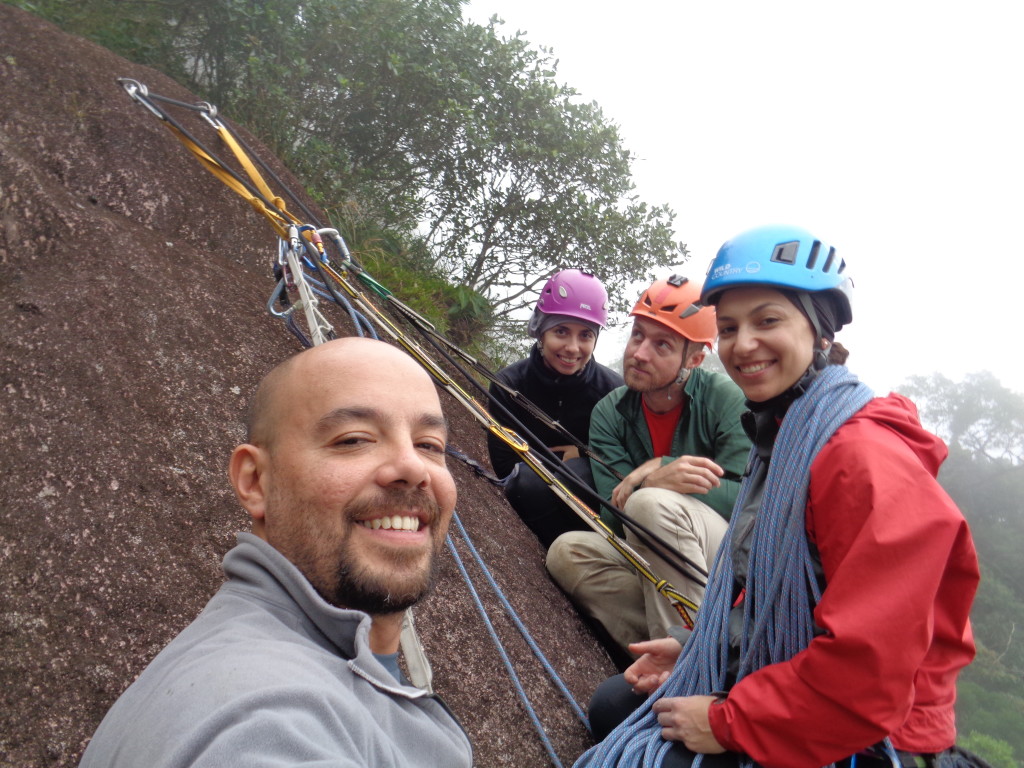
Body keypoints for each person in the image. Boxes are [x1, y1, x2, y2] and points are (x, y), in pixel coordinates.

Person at [578, 225, 980, 768]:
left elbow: (869, 675)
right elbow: (778, 591)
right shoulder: (785, 433)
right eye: (730, 327)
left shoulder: (862, 460)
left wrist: (725, 719)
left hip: (873, 733)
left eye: (768, 320)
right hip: (804, 681)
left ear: (819, 332)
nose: (743, 344)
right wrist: (706, 648)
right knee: (613, 706)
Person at [79, 338, 473, 768]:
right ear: (254, 481)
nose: (414, 468)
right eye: (353, 439)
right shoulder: (260, 718)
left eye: (430, 445)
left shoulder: (307, 660)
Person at [545, 275, 750, 654]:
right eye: (637, 335)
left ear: (694, 359)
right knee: (567, 551)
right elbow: (612, 512)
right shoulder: (610, 412)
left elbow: (752, 501)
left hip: (723, 558)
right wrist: (659, 480)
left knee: (648, 503)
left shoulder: (725, 400)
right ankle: (681, 649)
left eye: (662, 345)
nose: (639, 353)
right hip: (649, 548)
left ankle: (686, 667)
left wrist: (661, 472)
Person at [487, 269, 624, 548]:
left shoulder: (613, 392)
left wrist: (582, 457)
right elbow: (505, 466)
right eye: (561, 331)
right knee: (527, 482)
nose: (573, 348)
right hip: (533, 500)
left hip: (592, 508)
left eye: (585, 335)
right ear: (541, 331)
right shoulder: (509, 385)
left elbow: (623, 463)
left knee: (580, 475)